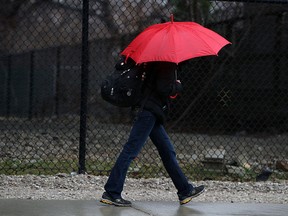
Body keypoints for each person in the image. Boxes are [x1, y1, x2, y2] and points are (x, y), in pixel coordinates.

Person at [100, 59, 205, 207]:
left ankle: (185, 190)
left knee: (167, 151)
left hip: (150, 111)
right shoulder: (166, 63)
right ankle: (112, 192)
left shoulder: (156, 60)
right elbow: (163, 87)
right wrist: (177, 86)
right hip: (148, 112)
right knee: (130, 150)